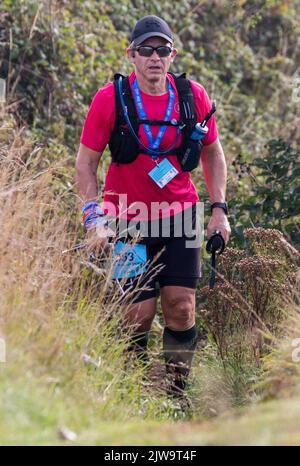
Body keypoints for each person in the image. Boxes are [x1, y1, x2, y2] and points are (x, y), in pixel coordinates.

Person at [75, 15, 231, 396]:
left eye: (162, 50)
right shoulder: (110, 98)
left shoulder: (193, 95)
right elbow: (85, 163)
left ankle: (178, 395)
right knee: (137, 315)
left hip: (181, 219)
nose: (154, 57)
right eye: (146, 50)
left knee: (181, 308)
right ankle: (135, 392)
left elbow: (212, 154)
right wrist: (94, 218)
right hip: (126, 219)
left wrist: (219, 210)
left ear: (172, 55)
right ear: (132, 55)